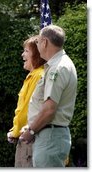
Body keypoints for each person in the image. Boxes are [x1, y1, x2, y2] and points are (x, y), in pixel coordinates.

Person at [20, 25, 77, 167]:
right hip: (50, 136)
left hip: (50, 138)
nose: (37, 45)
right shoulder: (58, 65)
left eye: (38, 41)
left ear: (45, 42)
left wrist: (31, 130)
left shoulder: (58, 68)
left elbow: (49, 109)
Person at [6, 35, 46, 167]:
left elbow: (28, 110)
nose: (23, 55)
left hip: (31, 139)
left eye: (27, 51)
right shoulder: (32, 76)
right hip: (25, 137)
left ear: (37, 54)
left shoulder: (38, 76)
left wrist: (15, 131)